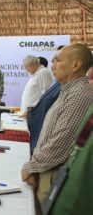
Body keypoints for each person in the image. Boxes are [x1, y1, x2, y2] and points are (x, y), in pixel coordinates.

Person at [21, 44, 93, 203]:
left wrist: (31, 166)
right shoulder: (68, 90)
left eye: (57, 60)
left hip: (52, 173)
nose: (52, 65)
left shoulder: (79, 95)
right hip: (46, 168)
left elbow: (62, 139)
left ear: (76, 65)